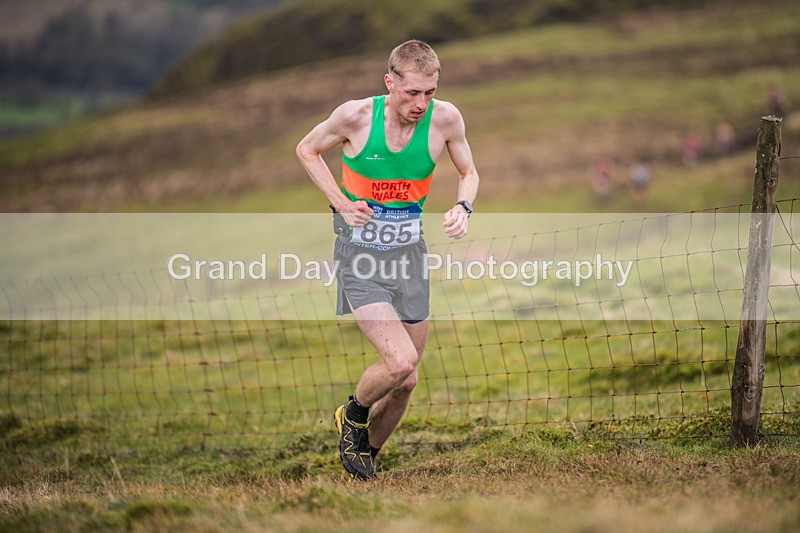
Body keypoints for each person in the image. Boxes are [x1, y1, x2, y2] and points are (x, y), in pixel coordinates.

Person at [295, 40, 480, 480]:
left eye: (429, 93)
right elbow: (306, 149)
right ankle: (353, 416)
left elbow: (469, 173)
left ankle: (365, 461)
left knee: (407, 379)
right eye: (411, 93)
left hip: (409, 258)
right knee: (398, 362)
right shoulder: (355, 117)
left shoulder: (447, 119)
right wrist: (341, 203)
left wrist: (462, 207)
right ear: (389, 82)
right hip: (360, 258)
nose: (421, 103)